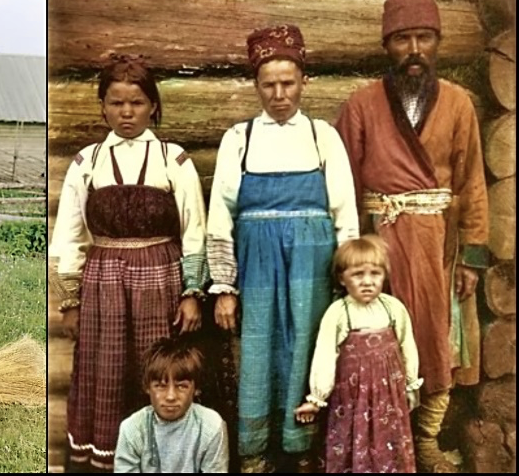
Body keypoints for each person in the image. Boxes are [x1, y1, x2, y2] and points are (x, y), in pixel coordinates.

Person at [333, 0, 488, 472]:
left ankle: (425, 440)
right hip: (380, 244)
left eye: (424, 37)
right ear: (388, 46)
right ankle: (387, 439)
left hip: (436, 243)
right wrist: (351, 251)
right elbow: (344, 183)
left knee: (438, 338)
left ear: (437, 42)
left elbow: (472, 181)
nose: (414, 49)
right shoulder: (361, 104)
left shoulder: (459, 104)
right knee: (380, 336)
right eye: (403, 39)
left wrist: (471, 256)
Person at [206, 24, 359, 473]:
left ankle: (302, 447)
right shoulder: (240, 139)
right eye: (268, 85)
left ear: (303, 82)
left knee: (307, 349)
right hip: (257, 266)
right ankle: (254, 452)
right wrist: (224, 286)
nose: (278, 94)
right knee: (258, 349)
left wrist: (347, 277)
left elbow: (344, 211)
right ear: (255, 85)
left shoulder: (322, 136)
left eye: (287, 83)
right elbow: (220, 216)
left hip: (313, 264)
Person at [49, 55, 209, 471]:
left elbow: (195, 232)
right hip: (104, 285)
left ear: (152, 105)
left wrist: (191, 294)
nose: (126, 112)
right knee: (107, 374)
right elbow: (68, 236)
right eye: (116, 103)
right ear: (103, 106)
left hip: (161, 282)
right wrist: (69, 300)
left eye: (136, 103)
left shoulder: (174, 161)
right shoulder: (88, 163)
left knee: (158, 370)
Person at [294, 235, 421, 473]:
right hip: (352, 397)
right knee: (353, 436)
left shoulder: (393, 308)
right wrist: (316, 398)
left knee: (389, 439)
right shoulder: (339, 312)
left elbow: (408, 345)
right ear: (342, 279)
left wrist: (411, 385)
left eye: (375, 274)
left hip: (388, 395)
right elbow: (324, 355)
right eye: (357, 274)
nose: (367, 282)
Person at [114, 337, 229, 473]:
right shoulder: (133, 429)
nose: (170, 396)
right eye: (161, 386)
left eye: (181, 387)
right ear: (147, 387)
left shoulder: (210, 426)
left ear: (196, 388)